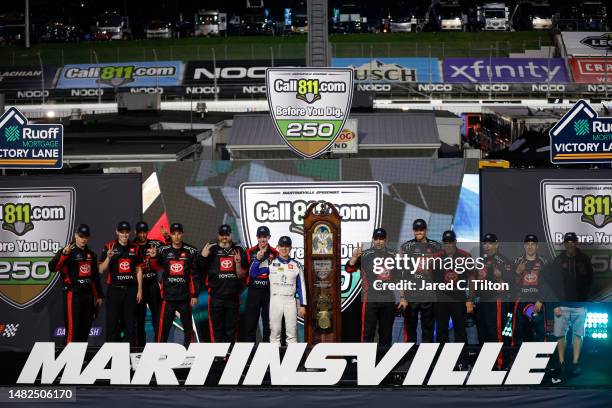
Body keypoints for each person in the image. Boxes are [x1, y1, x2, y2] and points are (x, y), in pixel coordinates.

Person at [346, 228, 407, 347]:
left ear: (386, 239)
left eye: (381, 239)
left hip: (388, 299)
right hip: (370, 299)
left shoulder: (394, 255)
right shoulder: (365, 254)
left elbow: (399, 278)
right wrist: (354, 257)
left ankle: (385, 362)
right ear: (373, 239)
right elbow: (349, 269)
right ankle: (366, 361)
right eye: (376, 239)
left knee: (386, 334)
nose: (379, 241)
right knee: (368, 333)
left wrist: (403, 297)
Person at [48, 224, 103, 344]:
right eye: (81, 236)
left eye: (86, 236)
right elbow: (52, 268)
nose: (83, 239)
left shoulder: (91, 255)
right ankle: (68, 359)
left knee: (86, 327)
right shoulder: (67, 252)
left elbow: (94, 277)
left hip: (88, 295)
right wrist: (63, 254)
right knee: (73, 329)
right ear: (76, 236)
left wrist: (98, 296)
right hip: (73, 294)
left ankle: (80, 358)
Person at [149, 223, 199, 347]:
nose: (176, 236)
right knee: (163, 329)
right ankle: (158, 352)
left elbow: (194, 275)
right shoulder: (163, 250)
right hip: (168, 297)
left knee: (188, 328)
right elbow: (155, 267)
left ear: (182, 234)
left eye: (179, 233)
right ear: (170, 235)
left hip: (184, 298)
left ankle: (190, 352)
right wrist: (153, 257)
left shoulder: (191, 251)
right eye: (174, 234)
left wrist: (194, 295)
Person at [551, 232, 593, 377]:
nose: (569, 243)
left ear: (576, 242)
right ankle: (561, 363)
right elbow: (553, 284)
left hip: (579, 306)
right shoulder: (558, 260)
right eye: (567, 241)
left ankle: (575, 363)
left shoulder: (584, 259)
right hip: (562, 305)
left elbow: (590, 282)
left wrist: (585, 303)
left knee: (578, 335)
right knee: (560, 335)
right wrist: (555, 305)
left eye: (572, 241)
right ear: (564, 243)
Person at [249, 236, 306, 344]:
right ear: (278, 247)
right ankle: (274, 359)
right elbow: (253, 273)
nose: (284, 249)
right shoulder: (270, 263)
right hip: (275, 300)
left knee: (292, 332)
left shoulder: (296, 265)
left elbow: (301, 286)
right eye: (282, 246)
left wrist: (302, 305)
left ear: (291, 248)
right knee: (275, 332)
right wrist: (257, 259)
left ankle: (292, 360)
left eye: (287, 246)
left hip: (290, 301)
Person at [198, 224, 248, 342]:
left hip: (233, 298)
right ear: (218, 235)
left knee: (232, 330)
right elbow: (199, 269)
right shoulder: (211, 249)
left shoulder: (239, 249)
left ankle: (230, 356)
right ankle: (217, 356)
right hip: (215, 297)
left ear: (231, 235)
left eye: (227, 234)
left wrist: (238, 263)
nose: (224, 237)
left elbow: (241, 276)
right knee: (216, 330)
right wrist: (203, 257)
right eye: (222, 234)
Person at [99, 221, 143, 345]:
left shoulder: (135, 247)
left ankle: (128, 353)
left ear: (129, 233)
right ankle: (110, 354)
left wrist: (140, 290)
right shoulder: (109, 246)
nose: (124, 235)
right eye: (122, 232)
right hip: (114, 290)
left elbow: (139, 270)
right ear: (117, 232)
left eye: (126, 232)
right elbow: (101, 269)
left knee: (129, 323)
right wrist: (108, 257)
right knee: (112, 323)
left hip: (131, 290)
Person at [474, 233, 513, 368]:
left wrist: (500, 276)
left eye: (490, 243)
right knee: (483, 333)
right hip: (482, 301)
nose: (487, 245)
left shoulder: (503, 261)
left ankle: (501, 364)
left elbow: (511, 282)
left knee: (495, 332)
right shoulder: (482, 261)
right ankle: (486, 365)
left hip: (496, 300)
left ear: (497, 244)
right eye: (485, 243)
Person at [400, 219, 440, 343]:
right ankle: (410, 356)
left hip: (429, 294)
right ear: (413, 231)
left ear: (425, 230)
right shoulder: (406, 247)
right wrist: (402, 296)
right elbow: (401, 273)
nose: (419, 232)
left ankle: (426, 357)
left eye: (421, 230)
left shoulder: (435, 246)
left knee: (427, 329)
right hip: (411, 294)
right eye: (416, 230)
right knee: (410, 328)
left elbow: (440, 271)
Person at [433, 230, 474, 343]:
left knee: (460, 330)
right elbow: (429, 277)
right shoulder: (436, 257)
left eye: (451, 242)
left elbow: (472, 279)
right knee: (441, 331)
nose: (448, 245)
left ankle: (462, 359)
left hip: (459, 297)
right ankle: (442, 358)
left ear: (455, 242)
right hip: (441, 297)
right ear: (443, 243)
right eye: (446, 242)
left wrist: (470, 299)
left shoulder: (465, 256)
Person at [132, 221, 166, 346]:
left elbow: (170, 249)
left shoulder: (155, 244)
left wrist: (156, 255)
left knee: (157, 318)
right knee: (139, 320)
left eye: (144, 232)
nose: (142, 235)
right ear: (135, 232)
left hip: (153, 285)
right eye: (140, 232)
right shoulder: (131, 246)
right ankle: (140, 348)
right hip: (138, 287)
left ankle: (159, 347)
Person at [511, 234, 547, 346]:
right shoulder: (517, 261)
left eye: (533, 244)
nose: (530, 246)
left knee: (540, 333)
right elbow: (511, 284)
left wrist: (540, 300)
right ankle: (518, 359)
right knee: (518, 333)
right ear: (524, 246)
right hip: (521, 302)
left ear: (537, 246)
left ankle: (541, 360)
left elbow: (549, 284)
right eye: (527, 244)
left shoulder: (544, 262)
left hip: (537, 302)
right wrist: (517, 272)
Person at [244, 226, 278, 342]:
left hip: (268, 292)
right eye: (260, 237)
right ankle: (250, 352)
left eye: (265, 237)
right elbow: (245, 272)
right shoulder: (249, 252)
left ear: (269, 237)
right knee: (251, 323)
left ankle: (267, 350)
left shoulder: (275, 253)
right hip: (254, 292)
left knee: (268, 323)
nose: (262, 239)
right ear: (257, 237)